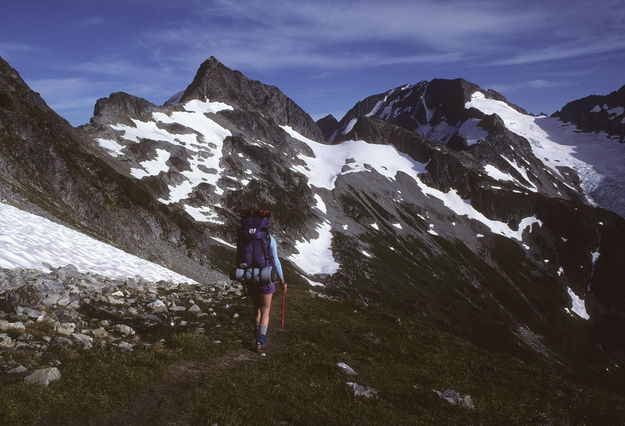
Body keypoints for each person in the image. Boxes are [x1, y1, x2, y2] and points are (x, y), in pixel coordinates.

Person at [236, 209, 287, 351]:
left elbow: (239, 257)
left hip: (250, 276)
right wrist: (282, 281)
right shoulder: (269, 239)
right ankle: (260, 341)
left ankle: (256, 335)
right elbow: (276, 262)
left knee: (256, 308)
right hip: (265, 277)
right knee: (266, 309)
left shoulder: (243, 238)